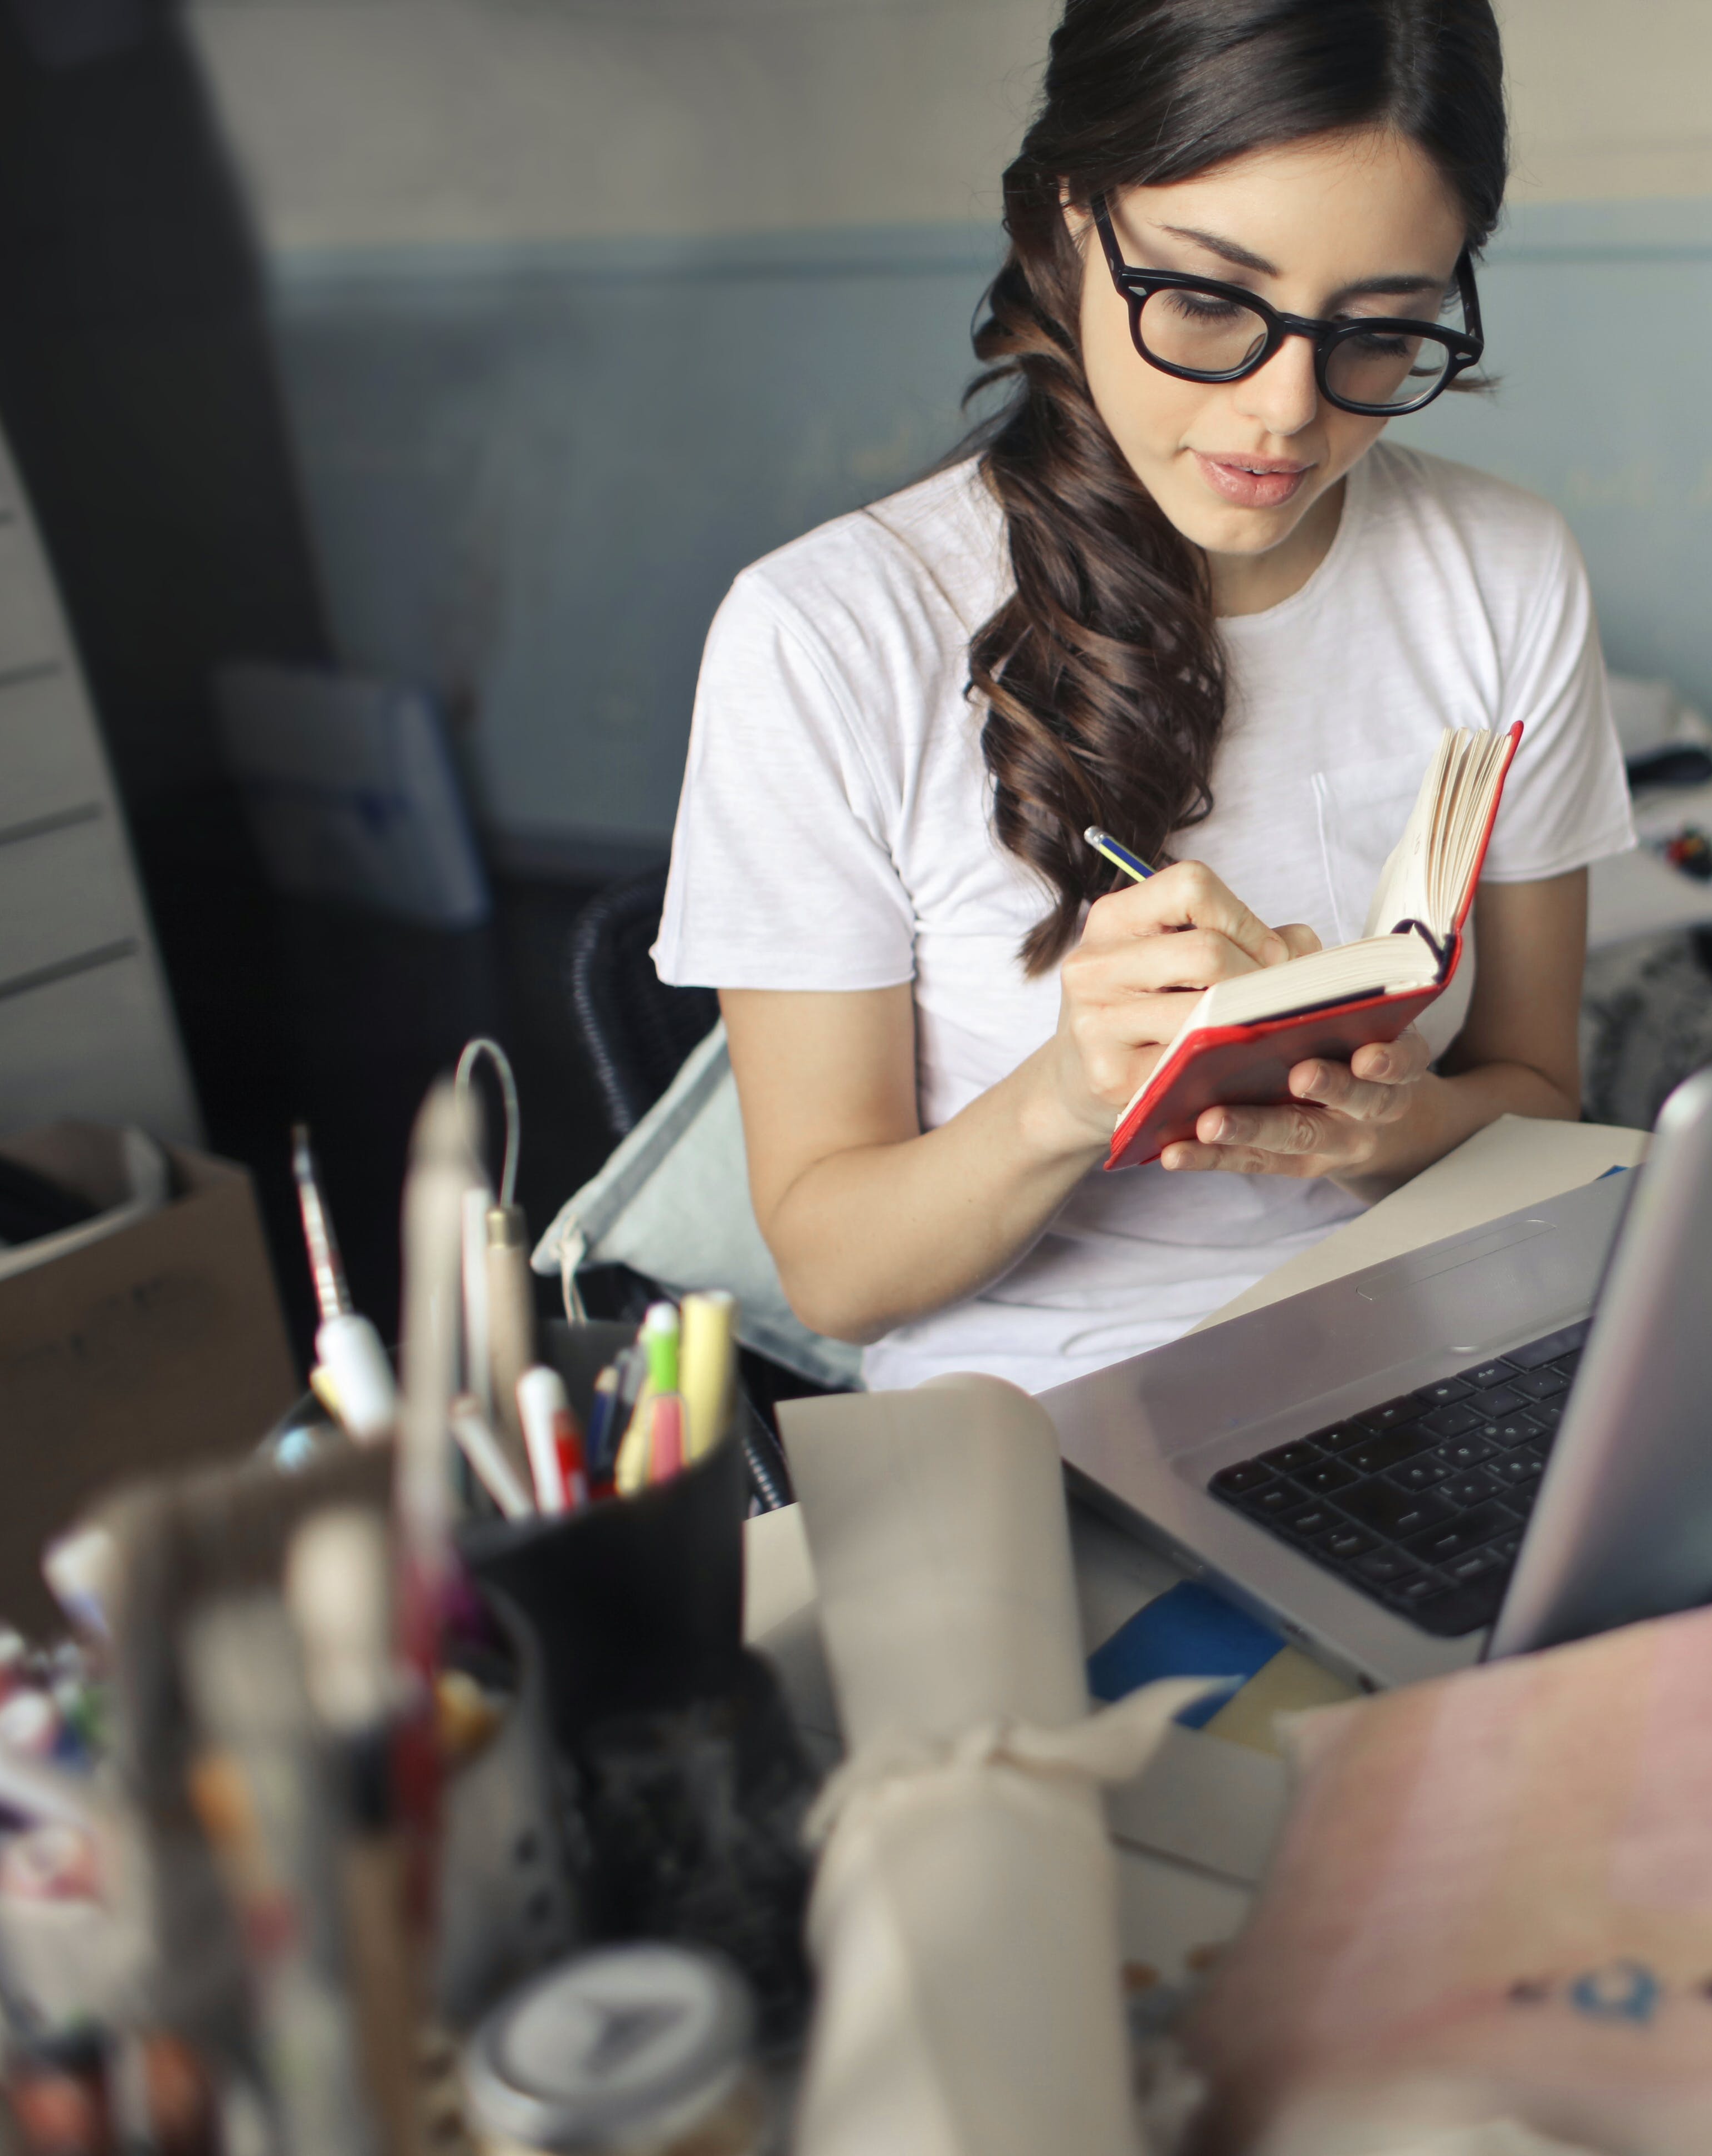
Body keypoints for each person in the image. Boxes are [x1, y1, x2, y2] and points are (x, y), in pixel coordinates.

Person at [655, 0, 1631, 1395]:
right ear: (1069, 220)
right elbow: (836, 1273)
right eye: (1207, 303)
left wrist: (1380, 1128)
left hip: (1435, 1359)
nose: (1287, 410)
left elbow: (1538, 1096)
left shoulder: (1504, 567)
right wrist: (1066, 1097)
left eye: (1380, 332)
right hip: (1045, 1418)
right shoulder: (828, 634)